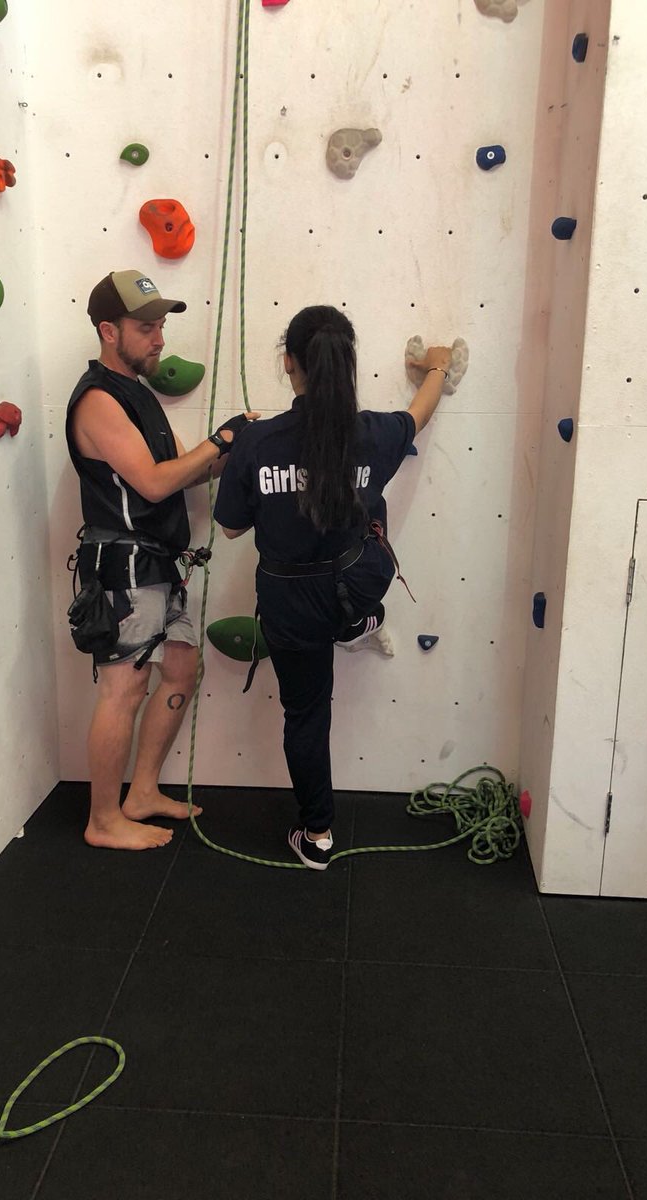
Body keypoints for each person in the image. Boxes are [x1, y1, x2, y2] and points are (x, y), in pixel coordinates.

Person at [213, 305, 452, 869]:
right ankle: (355, 621)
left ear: (288, 362)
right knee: (375, 516)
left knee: (306, 715)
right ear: (347, 364)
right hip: (355, 582)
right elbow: (420, 413)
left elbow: (229, 527)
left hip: (289, 604)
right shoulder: (373, 433)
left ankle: (317, 837)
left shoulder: (257, 441)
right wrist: (438, 367)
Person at [65, 269, 256, 850]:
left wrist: (239, 446)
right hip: (123, 565)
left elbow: (184, 471)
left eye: (161, 326)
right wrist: (218, 444)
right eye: (146, 328)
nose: (160, 339)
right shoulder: (98, 400)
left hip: (158, 563)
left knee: (181, 668)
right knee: (123, 690)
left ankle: (141, 791)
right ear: (108, 331)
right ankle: (103, 820)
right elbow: (152, 484)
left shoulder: (138, 396)